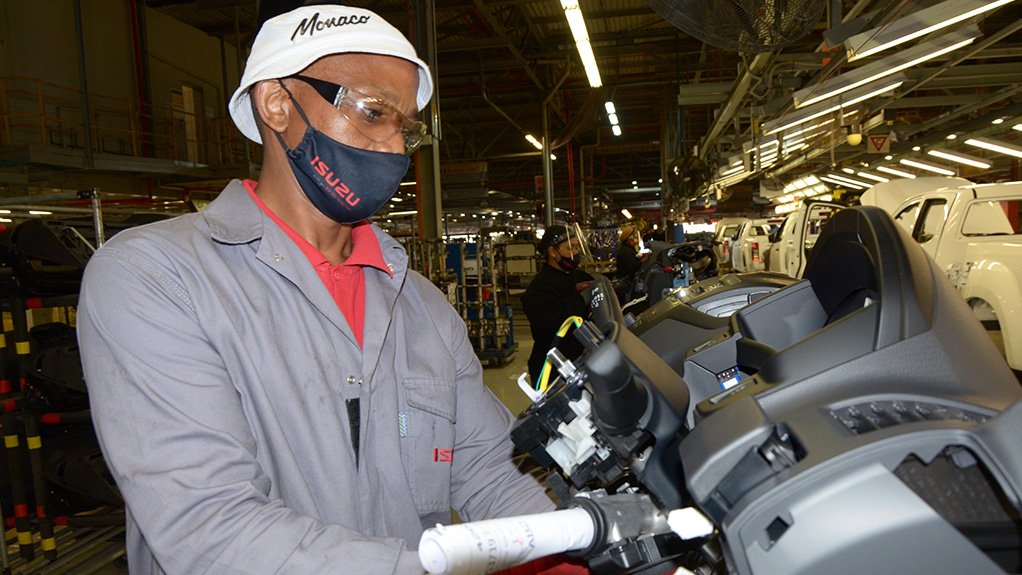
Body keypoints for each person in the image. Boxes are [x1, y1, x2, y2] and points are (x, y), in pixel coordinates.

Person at [76, 6, 558, 574]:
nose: (393, 149)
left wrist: (583, 543)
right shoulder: (155, 277)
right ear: (277, 103)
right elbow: (209, 531)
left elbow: (491, 473)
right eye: (373, 113)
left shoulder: (422, 308)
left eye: (406, 127)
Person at [521, 225, 595, 386]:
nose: (575, 253)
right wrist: (581, 299)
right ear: (553, 252)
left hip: (581, 360)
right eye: (570, 248)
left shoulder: (577, 276)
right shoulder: (539, 287)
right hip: (553, 369)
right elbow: (549, 318)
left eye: (576, 247)